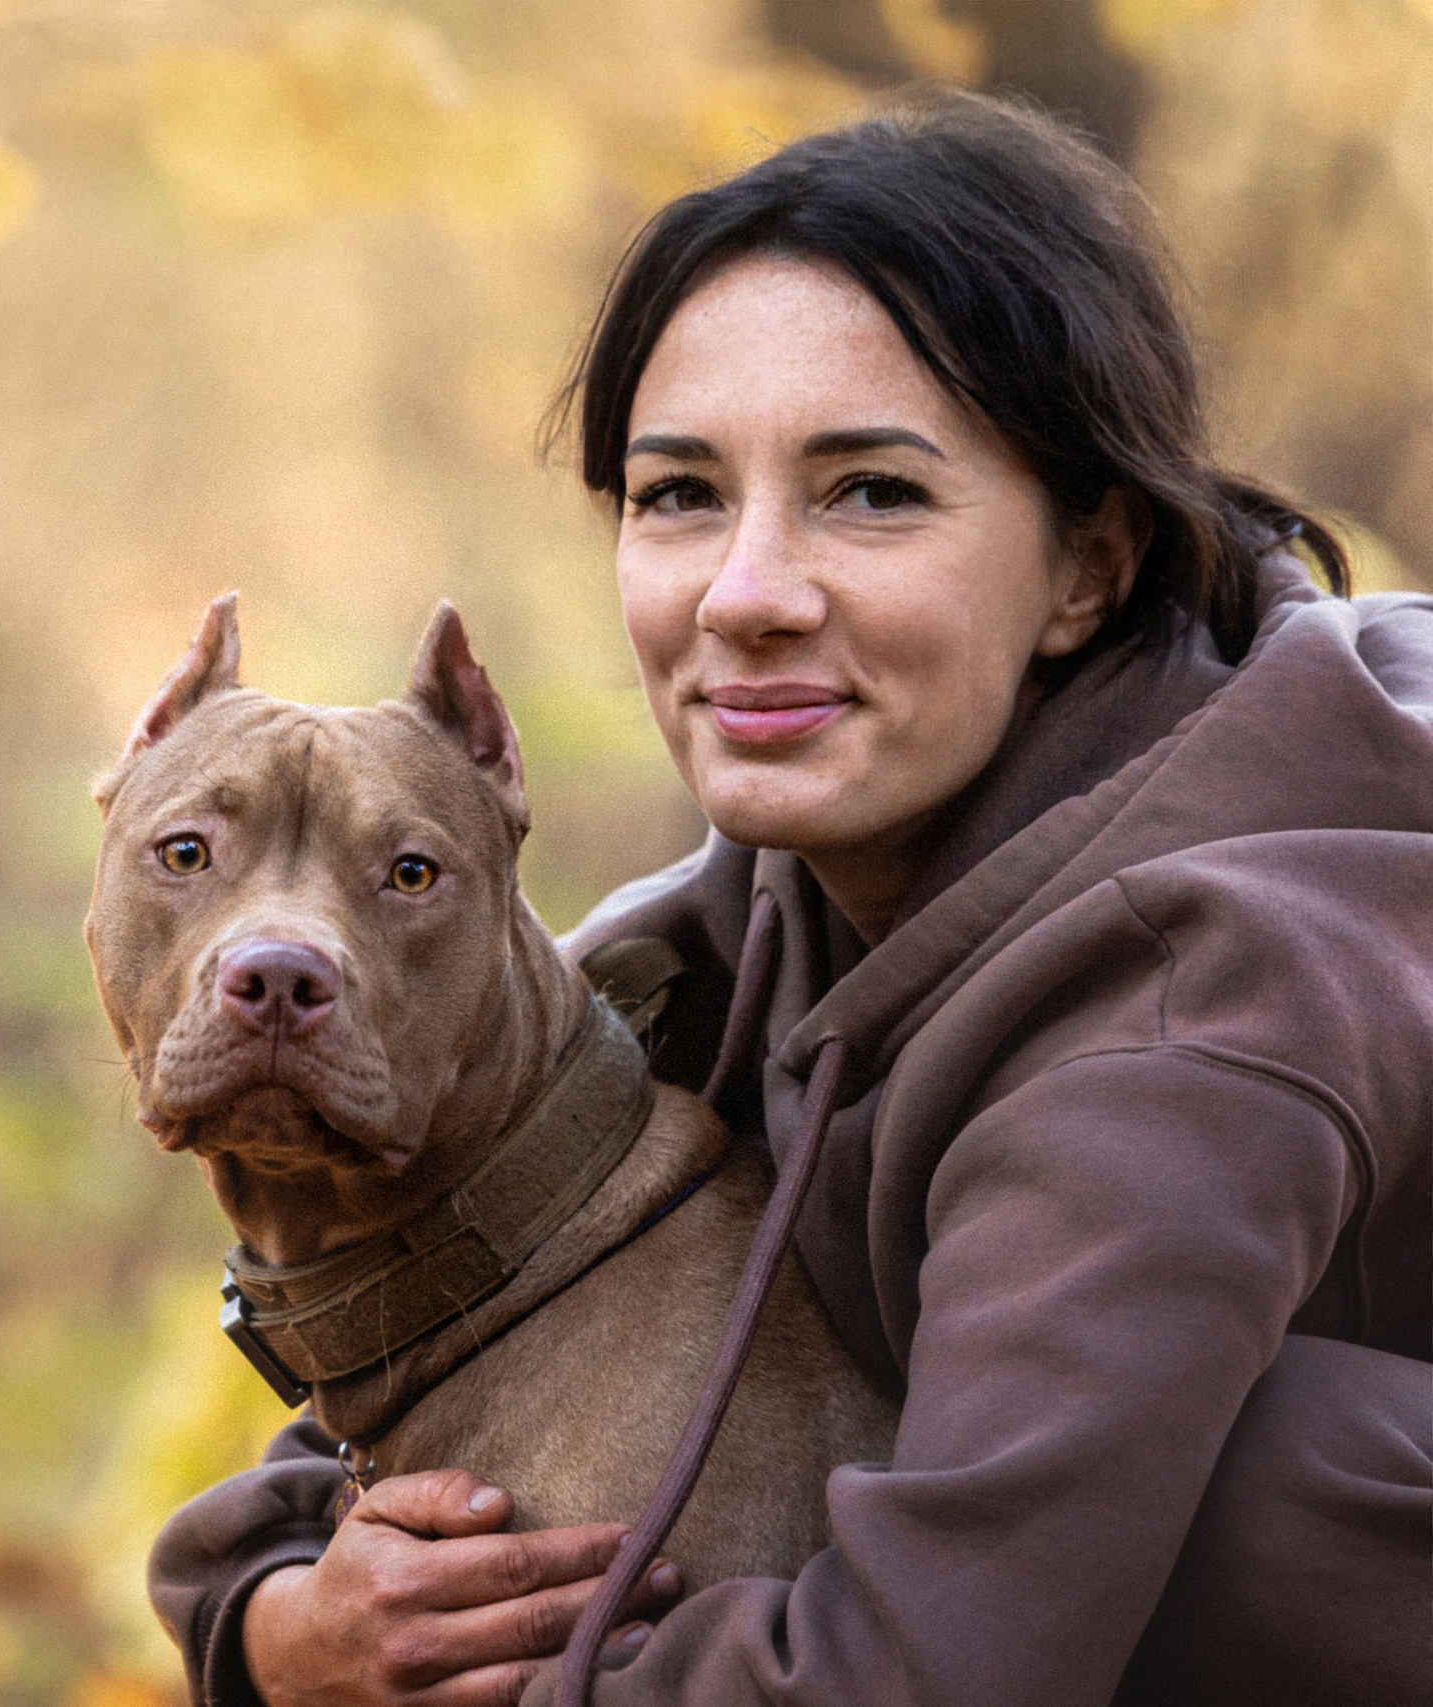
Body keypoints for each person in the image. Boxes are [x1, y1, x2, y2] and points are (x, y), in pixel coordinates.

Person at [146, 92, 1433, 1707]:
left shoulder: (1190, 1015)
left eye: (872, 492)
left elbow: (925, 1680)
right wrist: (277, 1623)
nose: (745, 595)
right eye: (680, 494)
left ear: (1089, 568)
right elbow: (460, 1305)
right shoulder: (769, 900)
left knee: (1246, 1482)